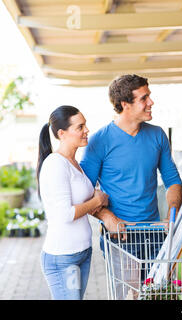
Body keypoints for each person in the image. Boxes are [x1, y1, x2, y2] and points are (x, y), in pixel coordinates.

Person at [80, 74, 182, 259]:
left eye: (149, 96)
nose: (151, 102)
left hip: (155, 233)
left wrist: (172, 215)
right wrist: (107, 218)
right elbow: (84, 191)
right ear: (125, 104)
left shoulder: (157, 135)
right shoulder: (99, 141)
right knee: (129, 289)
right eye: (144, 98)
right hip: (120, 235)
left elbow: (172, 180)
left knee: (158, 289)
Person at [37, 105, 109, 300]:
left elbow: (80, 195)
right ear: (62, 133)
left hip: (81, 253)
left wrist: (96, 197)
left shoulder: (74, 163)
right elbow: (64, 214)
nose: (87, 130)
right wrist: (96, 201)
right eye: (80, 127)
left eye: (85, 125)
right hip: (63, 258)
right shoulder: (55, 164)